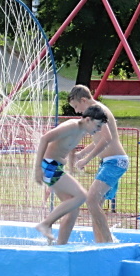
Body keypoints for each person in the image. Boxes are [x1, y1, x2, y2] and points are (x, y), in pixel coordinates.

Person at [34, 104, 108, 245]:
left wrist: (71, 167)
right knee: (82, 195)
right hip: (49, 166)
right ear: (88, 120)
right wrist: (37, 168)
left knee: (73, 209)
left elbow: (68, 147)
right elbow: (44, 138)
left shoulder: (82, 130)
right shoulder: (72, 126)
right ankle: (46, 224)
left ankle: (61, 245)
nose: (98, 129)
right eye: (98, 126)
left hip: (56, 166)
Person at [68, 84, 130, 243]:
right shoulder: (97, 110)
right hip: (111, 162)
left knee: (91, 200)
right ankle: (100, 242)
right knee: (95, 205)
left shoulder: (98, 110)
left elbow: (107, 139)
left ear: (83, 100)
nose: (77, 111)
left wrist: (87, 159)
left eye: (76, 106)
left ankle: (108, 242)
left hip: (115, 162)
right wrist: (81, 154)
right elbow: (99, 139)